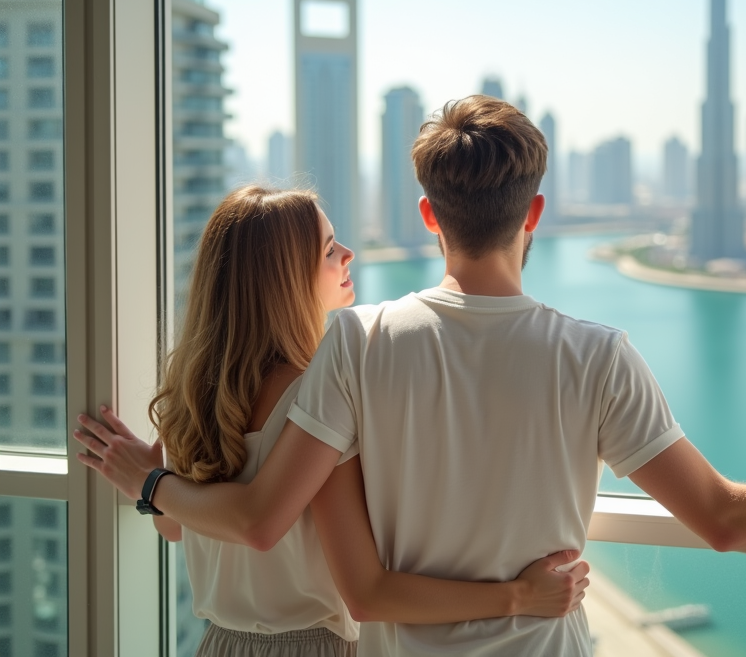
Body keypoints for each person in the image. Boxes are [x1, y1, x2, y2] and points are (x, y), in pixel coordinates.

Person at [77, 97, 746, 657]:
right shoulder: (598, 356)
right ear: (537, 212)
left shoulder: (354, 344)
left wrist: (154, 480)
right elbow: (725, 516)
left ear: (428, 214)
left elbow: (302, 546)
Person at [90, 185, 590, 657]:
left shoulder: (194, 392)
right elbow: (305, 552)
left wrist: (149, 480)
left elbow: (180, 530)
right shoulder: (318, 395)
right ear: (283, 277)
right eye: (330, 249)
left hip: (220, 642)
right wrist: (520, 596)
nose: (348, 253)